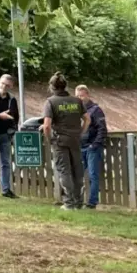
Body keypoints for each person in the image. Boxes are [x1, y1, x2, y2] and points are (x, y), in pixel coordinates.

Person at [41, 73, 87, 211]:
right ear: (65, 86)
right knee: (77, 170)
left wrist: (49, 139)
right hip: (75, 140)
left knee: (64, 171)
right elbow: (87, 119)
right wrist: (81, 132)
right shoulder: (76, 101)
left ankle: (69, 203)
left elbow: (47, 125)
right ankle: (79, 202)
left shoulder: (50, 102)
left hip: (60, 140)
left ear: (51, 87)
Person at [76, 85, 108, 209]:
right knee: (78, 174)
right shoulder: (77, 110)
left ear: (88, 95)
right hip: (80, 146)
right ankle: (77, 199)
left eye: (82, 95)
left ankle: (92, 202)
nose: (80, 98)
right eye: (77, 96)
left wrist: (95, 144)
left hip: (92, 147)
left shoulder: (96, 110)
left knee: (93, 175)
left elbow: (102, 129)